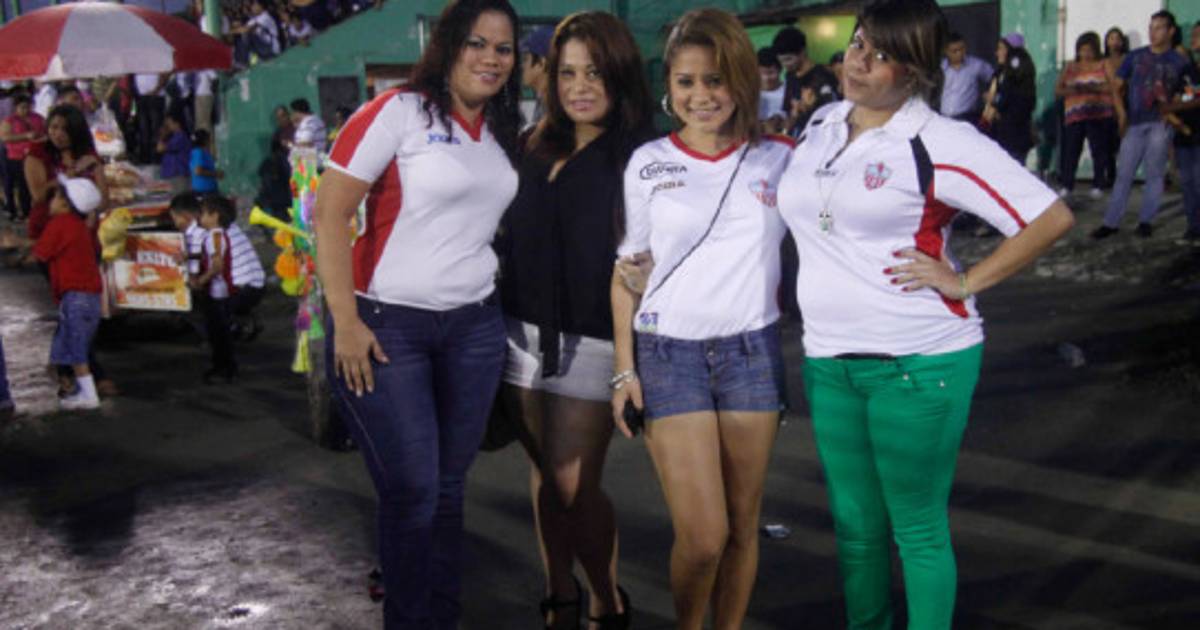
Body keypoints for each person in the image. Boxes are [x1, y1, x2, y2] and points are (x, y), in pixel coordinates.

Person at [775, 1, 1075, 627]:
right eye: (859, 43)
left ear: (914, 71)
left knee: (916, 528)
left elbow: (1050, 217)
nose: (859, 61)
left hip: (918, 360)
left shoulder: (940, 141)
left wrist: (965, 281)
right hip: (828, 360)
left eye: (882, 55)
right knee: (856, 527)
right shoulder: (823, 122)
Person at [313, 1, 521, 627]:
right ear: (449, 45)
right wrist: (346, 322)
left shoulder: (502, 129)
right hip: (386, 328)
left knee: (448, 489)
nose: (490, 58)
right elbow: (329, 215)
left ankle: (441, 617)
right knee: (412, 490)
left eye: (503, 48)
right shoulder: (397, 111)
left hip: (474, 328)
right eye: (476, 43)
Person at [609, 9, 793, 629]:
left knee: (743, 526)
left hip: (752, 355)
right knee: (705, 537)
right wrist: (624, 370)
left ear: (740, 79)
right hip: (669, 355)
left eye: (714, 80)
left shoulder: (778, 159)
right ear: (669, 86)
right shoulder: (648, 162)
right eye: (685, 82)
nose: (700, 96)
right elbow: (627, 271)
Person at [496, 11, 651, 629]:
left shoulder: (641, 157)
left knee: (572, 483)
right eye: (567, 73)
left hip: (594, 340)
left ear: (620, 76)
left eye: (595, 73)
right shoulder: (530, 145)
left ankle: (607, 599)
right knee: (543, 474)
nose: (580, 87)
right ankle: (559, 594)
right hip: (519, 335)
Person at [1093, 10, 1195, 239]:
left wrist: (1173, 112)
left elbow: (1189, 93)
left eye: (1158, 28)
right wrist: (1121, 114)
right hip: (1135, 122)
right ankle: (1111, 222)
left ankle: (1146, 221)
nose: (1153, 32)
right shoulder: (1135, 56)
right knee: (1124, 173)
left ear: (1170, 31)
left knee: (1154, 173)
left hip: (1161, 123)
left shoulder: (1179, 61)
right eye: (1151, 27)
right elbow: (1117, 86)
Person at [30, 175, 106, 410]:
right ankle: (76, 391)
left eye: (55, 196)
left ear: (64, 204)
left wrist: (13, 244)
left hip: (76, 297)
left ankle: (89, 396)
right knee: (67, 347)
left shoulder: (60, 224)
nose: (50, 201)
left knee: (75, 349)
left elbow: (40, 253)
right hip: (90, 297)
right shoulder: (79, 226)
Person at [25, 105, 105, 240]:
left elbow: (103, 200)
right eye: (54, 127)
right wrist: (65, 177)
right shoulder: (38, 153)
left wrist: (97, 166)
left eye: (65, 130)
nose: (58, 134)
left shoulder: (87, 154)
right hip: (50, 227)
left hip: (85, 229)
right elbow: (38, 196)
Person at [1055, 31, 1120, 199]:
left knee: (1098, 150)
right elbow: (1058, 90)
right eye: (1082, 50)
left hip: (1098, 114)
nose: (1085, 54)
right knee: (1071, 151)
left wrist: (1094, 88)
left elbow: (1114, 86)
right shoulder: (1070, 66)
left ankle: (1098, 184)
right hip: (1075, 115)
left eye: (1089, 50)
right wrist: (1075, 90)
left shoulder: (1103, 64)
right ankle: (1067, 184)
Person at [192, 194, 238, 383]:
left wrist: (201, 280)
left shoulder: (215, 237)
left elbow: (217, 265)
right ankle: (223, 367)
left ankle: (224, 369)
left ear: (215, 216)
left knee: (219, 334)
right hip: (218, 292)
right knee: (219, 333)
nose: (200, 218)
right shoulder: (215, 235)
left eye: (203, 214)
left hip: (217, 293)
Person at [1162, 21, 1200, 243]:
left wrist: (1177, 106)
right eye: (1193, 34)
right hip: (1185, 134)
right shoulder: (1187, 71)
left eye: (1198, 35)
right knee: (1188, 184)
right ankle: (1193, 228)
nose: (1193, 39)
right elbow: (1171, 100)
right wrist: (1175, 113)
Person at [773, 25, 839, 136]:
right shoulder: (790, 76)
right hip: (799, 138)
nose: (785, 65)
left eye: (789, 59)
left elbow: (834, 112)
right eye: (782, 61)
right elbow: (790, 113)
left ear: (802, 52)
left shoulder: (823, 75)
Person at [983, 33, 1037, 164]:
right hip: (1001, 130)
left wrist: (996, 99)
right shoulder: (1000, 73)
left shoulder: (1019, 74)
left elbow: (1015, 99)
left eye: (1001, 49)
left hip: (1014, 132)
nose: (997, 53)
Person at [224, 206, 267, 339]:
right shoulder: (234, 228)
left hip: (244, 290)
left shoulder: (217, 235)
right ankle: (242, 318)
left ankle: (227, 329)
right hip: (259, 284)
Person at [1, 93, 45, 221]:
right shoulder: (10, 121)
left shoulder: (38, 118)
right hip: (15, 156)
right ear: (16, 108)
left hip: (33, 155)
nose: (25, 110)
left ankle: (26, 211)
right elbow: (5, 137)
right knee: (13, 184)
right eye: (22, 107)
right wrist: (25, 136)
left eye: (28, 107)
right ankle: (12, 209)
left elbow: (45, 131)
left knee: (26, 185)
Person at [940, 32, 993, 122]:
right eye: (954, 51)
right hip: (944, 118)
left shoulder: (976, 65)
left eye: (962, 49)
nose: (959, 53)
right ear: (946, 51)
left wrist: (991, 93)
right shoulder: (941, 68)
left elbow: (995, 78)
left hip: (967, 117)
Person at [519, 24, 555, 129]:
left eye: (526, 59)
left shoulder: (555, 107)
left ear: (541, 63)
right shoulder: (546, 100)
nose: (522, 66)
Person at [134, 73, 168, 164]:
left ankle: (156, 158)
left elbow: (165, 73)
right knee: (143, 130)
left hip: (156, 96)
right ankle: (145, 158)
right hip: (141, 96)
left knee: (156, 129)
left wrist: (156, 89)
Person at [158, 112, 192, 194]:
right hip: (172, 175)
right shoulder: (173, 137)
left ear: (177, 124)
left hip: (178, 175)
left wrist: (162, 135)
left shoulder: (180, 137)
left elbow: (160, 148)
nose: (168, 127)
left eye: (169, 124)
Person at [757, 47, 787, 134]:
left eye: (771, 73)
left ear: (780, 70)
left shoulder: (789, 90)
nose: (766, 78)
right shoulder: (751, 92)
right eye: (762, 73)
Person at [190, 129, 222, 194]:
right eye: (209, 139)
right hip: (204, 190)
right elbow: (198, 171)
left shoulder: (201, 152)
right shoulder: (199, 152)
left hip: (206, 189)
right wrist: (216, 174)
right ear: (205, 140)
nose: (211, 141)